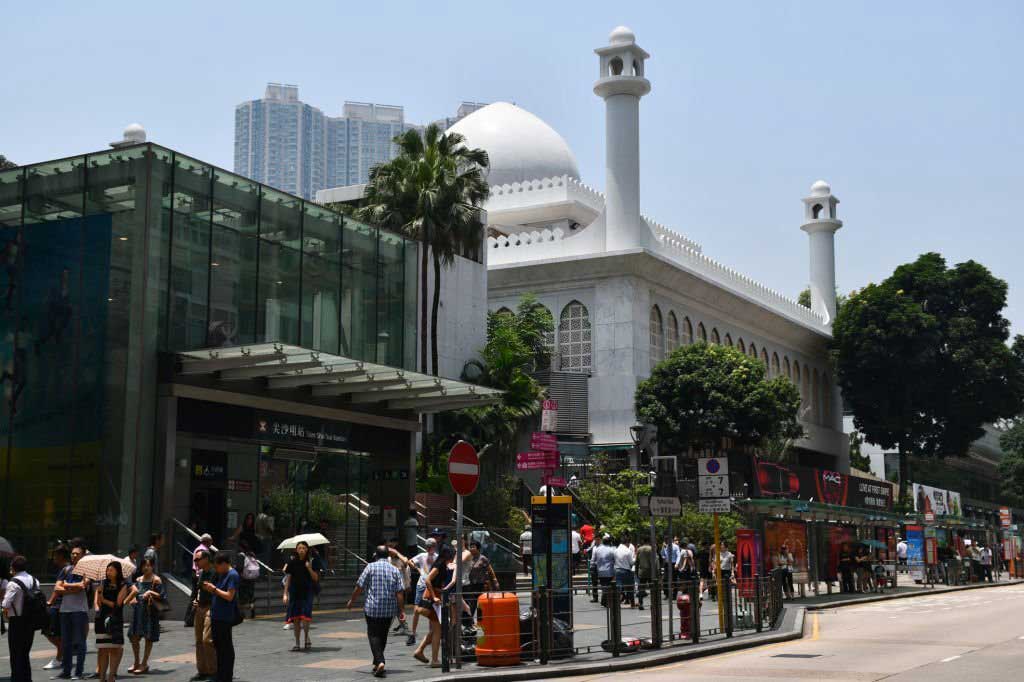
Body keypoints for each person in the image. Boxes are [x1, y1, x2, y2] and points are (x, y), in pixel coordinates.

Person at [347, 546, 406, 678]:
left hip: (372, 608)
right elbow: (400, 592)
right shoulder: (395, 570)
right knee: (383, 635)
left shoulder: (370, 567)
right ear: (387, 556)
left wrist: (352, 601)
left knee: (373, 635)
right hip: (389, 609)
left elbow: (359, 586)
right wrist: (401, 610)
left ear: (376, 555)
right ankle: (376, 663)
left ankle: (380, 661)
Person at [412, 544, 454, 668]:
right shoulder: (440, 564)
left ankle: (420, 651)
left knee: (436, 629)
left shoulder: (442, 564)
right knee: (437, 631)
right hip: (431, 600)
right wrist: (434, 596)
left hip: (433, 597)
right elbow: (428, 580)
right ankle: (434, 660)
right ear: (448, 555)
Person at [202, 552, 239, 682]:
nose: (216, 569)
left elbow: (229, 596)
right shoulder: (222, 574)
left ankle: (226, 676)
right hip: (217, 615)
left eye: (217, 566)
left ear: (224, 564)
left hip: (225, 617)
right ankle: (220, 674)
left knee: (225, 647)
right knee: (218, 647)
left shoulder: (232, 575)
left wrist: (213, 590)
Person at [56, 544, 91, 680]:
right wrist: (72, 587)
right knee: (66, 642)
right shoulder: (66, 569)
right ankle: (66, 671)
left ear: (83, 555)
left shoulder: (86, 571)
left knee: (80, 641)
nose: (74, 555)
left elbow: (82, 587)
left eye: (77, 553)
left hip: (79, 611)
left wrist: (66, 585)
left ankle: (78, 672)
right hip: (65, 610)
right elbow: (57, 588)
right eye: (73, 553)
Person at [127, 557, 166, 674]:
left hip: (150, 613)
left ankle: (144, 663)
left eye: (148, 565)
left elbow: (162, 596)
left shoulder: (157, 580)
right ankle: (136, 662)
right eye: (144, 565)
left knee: (148, 638)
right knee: (133, 636)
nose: (145, 567)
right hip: (138, 612)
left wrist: (150, 592)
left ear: (152, 566)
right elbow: (133, 592)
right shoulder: (138, 579)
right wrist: (133, 598)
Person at [3, 555, 37, 682]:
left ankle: (16, 678)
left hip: (17, 621)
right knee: (25, 652)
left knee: (15, 653)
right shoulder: (34, 580)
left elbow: (6, 603)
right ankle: (26, 678)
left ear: (13, 567)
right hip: (31, 620)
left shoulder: (13, 583)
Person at [94, 561, 129, 682]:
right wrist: (99, 593)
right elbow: (98, 604)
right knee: (103, 649)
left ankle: (111, 677)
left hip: (115, 619)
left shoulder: (123, 584)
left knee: (114, 648)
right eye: (107, 570)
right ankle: (102, 678)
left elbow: (118, 604)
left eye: (111, 570)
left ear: (117, 571)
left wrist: (104, 600)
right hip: (102, 619)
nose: (108, 572)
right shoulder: (103, 583)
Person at [283, 541, 319, 651]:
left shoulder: (312, 561)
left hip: (307, 592)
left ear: (307, 549)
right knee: (296, 618)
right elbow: (288, 577)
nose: (302, 550)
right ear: (296, 549)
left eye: (304, 548)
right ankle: (297, 643)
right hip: (294, 592)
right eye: (299, 548)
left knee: (305, 617)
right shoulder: (292, 562)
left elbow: (315, 578)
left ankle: (306, 637)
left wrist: (309, 568)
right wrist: (285, 593)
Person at [42, 545, 70, 672]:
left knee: (50, 631)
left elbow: (57, 589)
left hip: (58, 605)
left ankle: (60, 657)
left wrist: (50, 602)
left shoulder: (65, 569)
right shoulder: (66, 569)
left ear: (60, 556)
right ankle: (61, 655)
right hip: (61, 605)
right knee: (54, 632)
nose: (53, 558)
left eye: (55, 555)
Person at [190, 550, 217, 682]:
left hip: (210, 607)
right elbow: (199, 589)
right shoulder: (201, 573)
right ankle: (202, 671)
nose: (196, 562)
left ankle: (213, 671)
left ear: (206, 559)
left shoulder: (215, 572)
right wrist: (196, 600)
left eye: (198, 559)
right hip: (199, 607)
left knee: (207, 640)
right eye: (195, 560)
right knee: (198, 641)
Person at [405, 539, 437, 647]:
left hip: (431, 586)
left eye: (431, 546)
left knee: (430, 610)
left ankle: (431, 634)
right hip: (421, 585)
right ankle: (413, 634)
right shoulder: (422, 556)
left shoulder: (437, 557)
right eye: (427, 546)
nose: (429, 548)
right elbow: (409, 561)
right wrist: (418, 569)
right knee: (416, 610)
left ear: (434, 546)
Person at [385, 540, 411, 638]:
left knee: (398, 609)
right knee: (396, 610)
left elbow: (406, 571)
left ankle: (403, 627)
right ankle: (404, 627)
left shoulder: (402, 560)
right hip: (389, 588)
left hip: (400, 588)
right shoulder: (387, 560)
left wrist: (408, 585)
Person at [466, 541, 498, 620]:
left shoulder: (483, 558)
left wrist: (495, 581)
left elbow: (490, 570)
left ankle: (481, 622)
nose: (471, 548)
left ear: (478, 548)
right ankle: (470, 623)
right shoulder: (467, 558)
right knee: (471, 604)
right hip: (471, 585)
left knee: (481, 604)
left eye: (474, 547)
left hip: (481, 585)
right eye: (471, 547)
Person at [236, 542, 259, 620]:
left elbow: (239, 568)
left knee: (242, 597)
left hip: (243, 579)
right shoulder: (252, 555)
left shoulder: (241, 555)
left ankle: (243, 614)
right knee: (251, 596)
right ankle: (252, 610)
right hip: (252, 579)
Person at [591, 534, 616, 607]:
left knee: (604, 586)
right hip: (609, 571)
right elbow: (614, 560)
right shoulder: (612, 550)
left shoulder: (597, 549)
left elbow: (593, 560)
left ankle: (604, 601)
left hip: (600, 571)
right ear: (609, 542)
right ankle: (604, 602)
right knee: (607, 587)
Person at [613, 537, 635, 608]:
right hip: (626, 570)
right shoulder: (628, 551)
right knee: (630, 587)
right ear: (627, 543)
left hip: (617, 570)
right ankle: (632, 603)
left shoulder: (616, 550)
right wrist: (635, 558)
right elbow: (631, 562)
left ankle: (617, 603)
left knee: (618, 587)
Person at [635, 538, 654, 610]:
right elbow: (654, 561)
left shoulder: (639, 549)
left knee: (641, 588)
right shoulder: (651, 549)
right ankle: (652, 604)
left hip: (642, 571)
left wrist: (636, 571)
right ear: (649, 541)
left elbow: (637, 561)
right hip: (650, 571)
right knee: (652, 588)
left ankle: (640, 603)